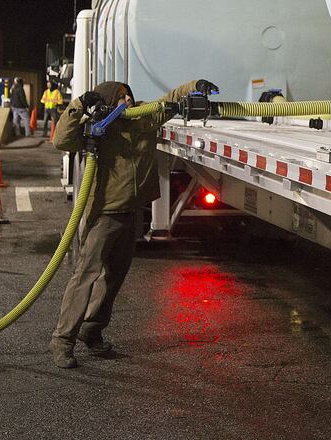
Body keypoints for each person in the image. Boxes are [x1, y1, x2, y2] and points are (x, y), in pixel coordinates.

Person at [50, 79, 219, 368]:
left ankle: (92, 331)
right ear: (106, 103)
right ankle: (63, 341)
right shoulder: (97, 129)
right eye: (119, 97)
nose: (126, 101)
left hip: (131, 212)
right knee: (85, 275)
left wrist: (194, 86)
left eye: (128, 95)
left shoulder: (142, 119)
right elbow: (61, 140)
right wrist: (79, 105)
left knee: (114, 276)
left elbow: (169, 99)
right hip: (103, 214)